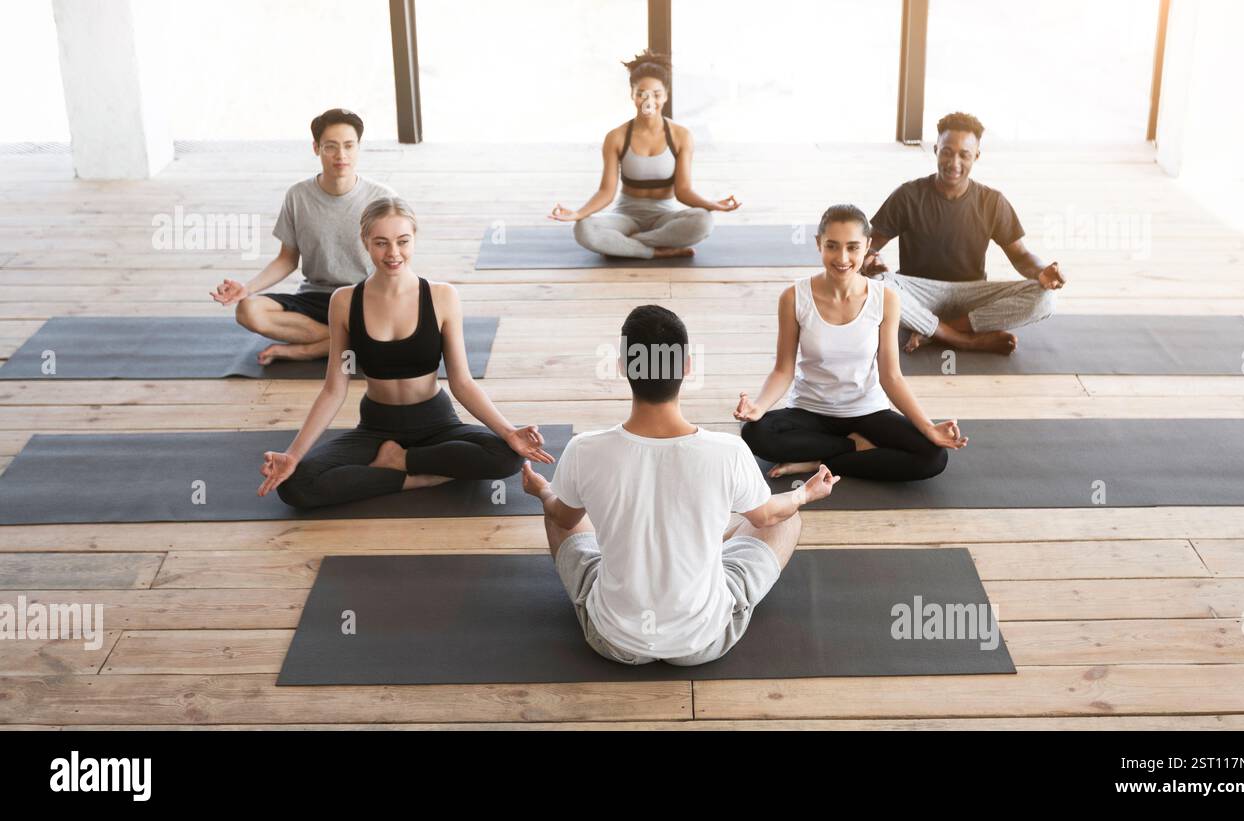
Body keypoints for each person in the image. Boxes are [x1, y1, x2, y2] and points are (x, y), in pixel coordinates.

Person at [521, 305, 839, 665]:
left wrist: (542, 490)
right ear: (687, 366)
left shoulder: (584, 449)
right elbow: (766, 517)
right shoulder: (729, 451)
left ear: (623, 366)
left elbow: (563, 519)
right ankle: (696, 541)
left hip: (614, 641)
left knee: (556, 507)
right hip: (703, 641)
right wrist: (804, 493)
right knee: (786, 516)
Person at [257, 197, 552, 508]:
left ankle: (402, 461)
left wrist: (508, 432)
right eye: (381, 243)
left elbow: (462, 382)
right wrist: (292, 455)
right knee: (296, 485)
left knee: (507, 457)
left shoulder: (441, 297)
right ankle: (416, 476)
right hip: (375, 427)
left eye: (402, 241)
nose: (393, 253)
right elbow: (334, 389)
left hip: (436, 422)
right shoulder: (344, 302)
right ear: (365, 241)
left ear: (414, 238)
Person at [738, 204, 968, 480]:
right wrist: (759, 406)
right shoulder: (793, 297)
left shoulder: (885, 299)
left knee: (933, 457)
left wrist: (928, 428)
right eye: (832, 246)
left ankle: (820, 460)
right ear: (818, 244)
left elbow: (892, 377)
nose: (842, 257)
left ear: (868, 246)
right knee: (755, 434)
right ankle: (855, 447)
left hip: (867, 411)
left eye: (853, 247)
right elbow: (783, 370)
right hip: (811, 411)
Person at [867, 111, 1066, 355]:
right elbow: (869, 246)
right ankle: (965, 340)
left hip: (970, 296)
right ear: (936, 150)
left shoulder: (992, 201)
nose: (954, 162)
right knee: (872, 284)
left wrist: (1042, 272)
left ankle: (939, 330)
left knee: (1046, 299)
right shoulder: (908, 195)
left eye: (964, 155)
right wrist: (871, 261)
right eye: (947, 152)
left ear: (976, 157)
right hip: (918, 293)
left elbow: (1021, 256)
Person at [210, 108, 395, 364]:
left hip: (364, 298)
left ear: (358, 147)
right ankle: (350, 342)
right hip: (316, 297)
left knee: (395, 322)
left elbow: (396, 260)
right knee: (248, 311)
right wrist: (246, 289)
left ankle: (308, 349)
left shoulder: (383, 198)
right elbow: (287, 259)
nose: (341, 155)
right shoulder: (298, 196)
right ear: (316, 148)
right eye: (331, 147)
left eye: (349, 146)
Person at [547, 50, 740, 260]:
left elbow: (683, 191)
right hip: (625, 216)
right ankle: (655, 251)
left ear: (665, 96)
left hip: (665, 217)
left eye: (656, 94)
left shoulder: (681, 136)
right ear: (633, 95)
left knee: (703, 221)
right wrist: (578, 214)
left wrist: (713, 205)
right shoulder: (616, 137)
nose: (650, 100)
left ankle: (626, 244)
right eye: (642, 93)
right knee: (583, 229)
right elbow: (606, 192)